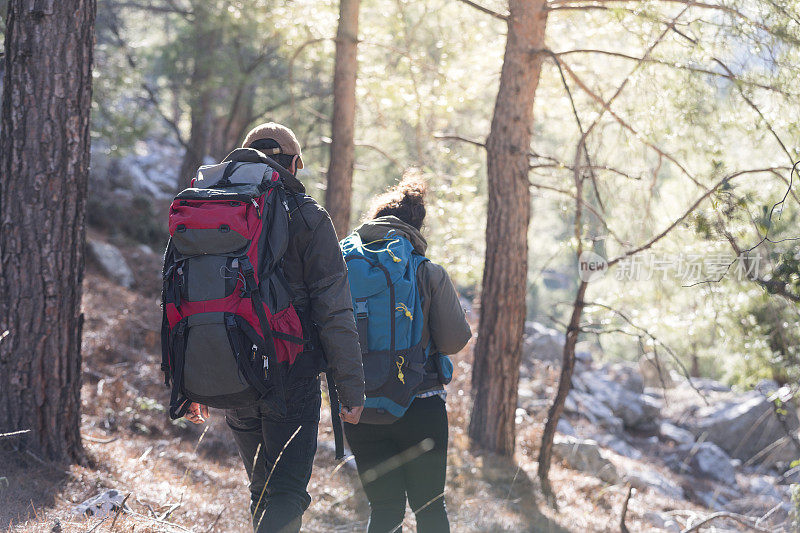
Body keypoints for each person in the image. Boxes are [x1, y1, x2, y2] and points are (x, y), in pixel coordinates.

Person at [182, 122, 365, 533]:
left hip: (230, 367)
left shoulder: (209, 209)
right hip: (290, 373)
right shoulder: (306, 214)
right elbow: (335, 309)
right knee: (284, 492)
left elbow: (181, 299)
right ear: (294, 164)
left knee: (262, 489)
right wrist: (350, 387)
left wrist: (188, 381)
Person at [343, 174, 472, 533]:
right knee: (430, 508)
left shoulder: (342, 265)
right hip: (420, 403)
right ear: (416, 225)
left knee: (384, 509)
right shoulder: (426, 271)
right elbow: (453, 341)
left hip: (360, 406)